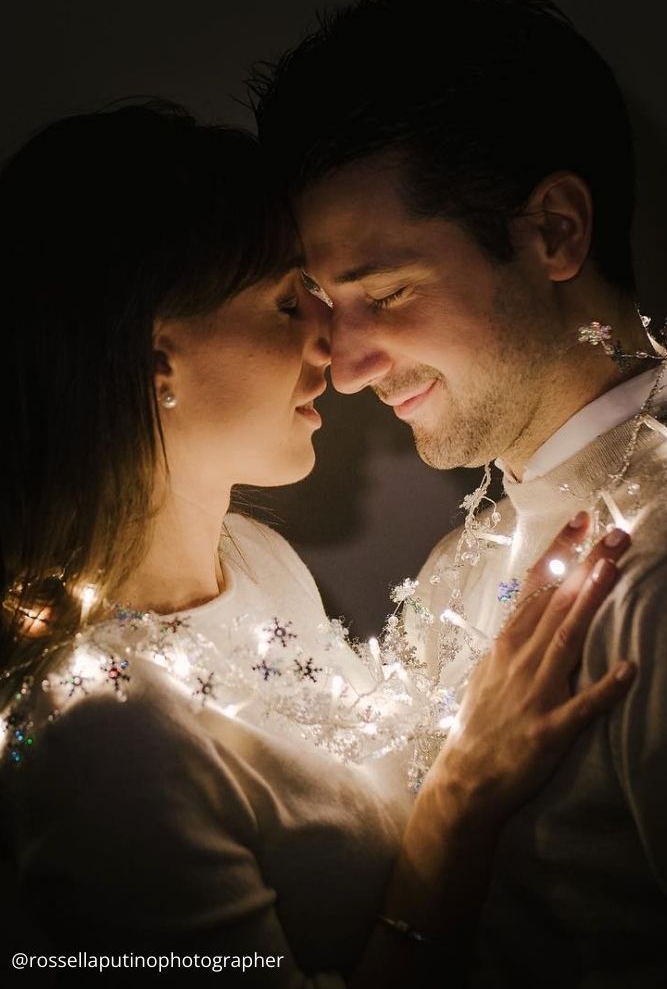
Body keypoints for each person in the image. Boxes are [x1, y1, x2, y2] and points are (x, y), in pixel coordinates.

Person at [0, 102, 634, 987]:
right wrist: (460, 801)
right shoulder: (96, 730)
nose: (329, 347)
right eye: (282, 300)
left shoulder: (259, 561)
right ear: (155, 358)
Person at [250, 0, 667, 984]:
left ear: (556, 232)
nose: (344, 366)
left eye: (385, 294)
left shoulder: (648, 578)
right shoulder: (465, 560)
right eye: (322, 306)